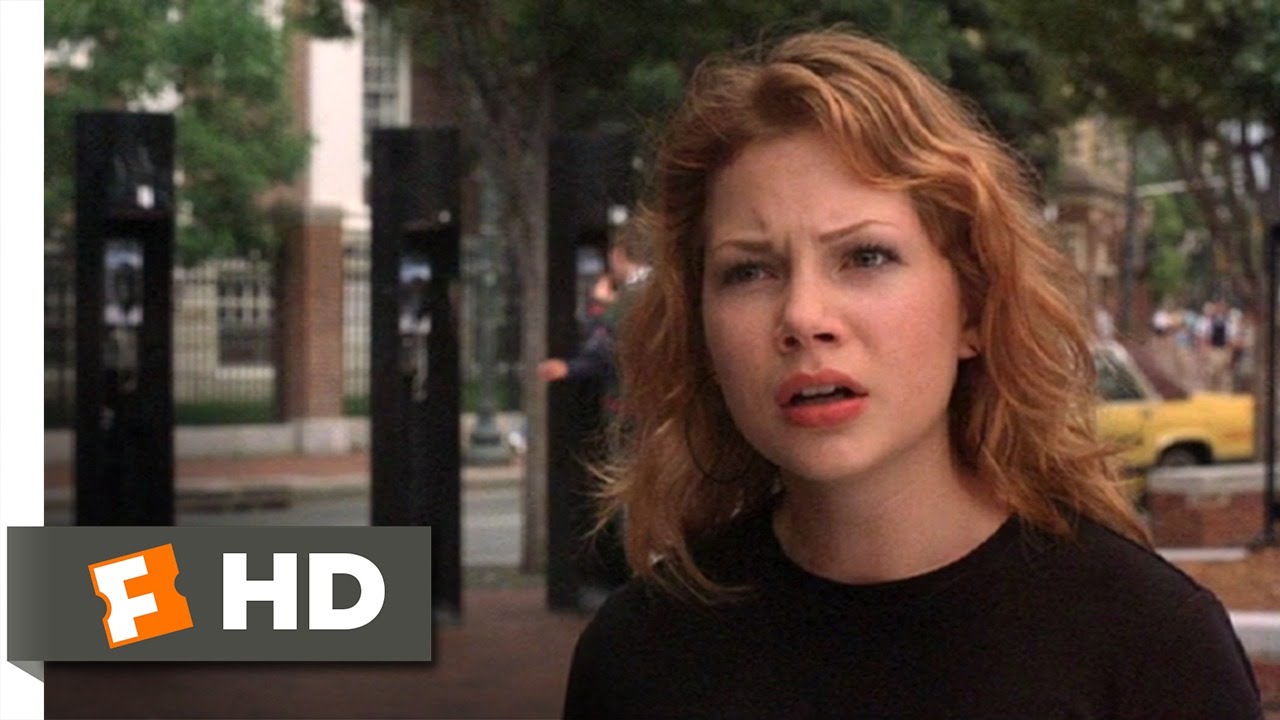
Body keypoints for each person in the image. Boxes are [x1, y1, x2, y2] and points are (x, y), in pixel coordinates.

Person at [562, 28, 1262, 719]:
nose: (803, 316)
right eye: (749, 271)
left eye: (865, 257)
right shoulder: (638, 658)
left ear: (974, 308)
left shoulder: (1150, 649)